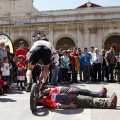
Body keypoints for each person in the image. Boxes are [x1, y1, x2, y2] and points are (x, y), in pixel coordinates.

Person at [38, 90, 117, 109]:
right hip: (72, 101)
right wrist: (69, 106)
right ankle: (110, 104)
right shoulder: (45, 102)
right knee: (90, 101)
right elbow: (57, 106)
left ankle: (107, 101)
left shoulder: (48, 96)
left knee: (89, 99)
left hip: (73, 97)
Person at [43, 86, 107, 98]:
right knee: (86, 92)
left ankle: (99, 93)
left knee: (86, 92)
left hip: (71, 89)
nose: (47, 89)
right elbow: (61, 95)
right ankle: (100, 94)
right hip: (71, 91)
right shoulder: (51, 93)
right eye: (45, 90)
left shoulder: (52, 89)